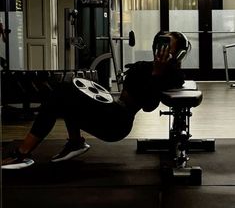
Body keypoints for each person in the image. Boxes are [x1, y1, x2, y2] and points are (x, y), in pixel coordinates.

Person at [1, 31, 191, 169]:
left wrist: (158, 72)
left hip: (117, 123)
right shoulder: (142, 66)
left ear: (177, 54)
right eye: (161, 42)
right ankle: (74, 143)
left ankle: (24, 154)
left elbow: (150, 106)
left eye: (168, 45)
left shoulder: (171, 76)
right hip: (111, 109)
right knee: (62, 92)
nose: (162, 47)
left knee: (60, 95)